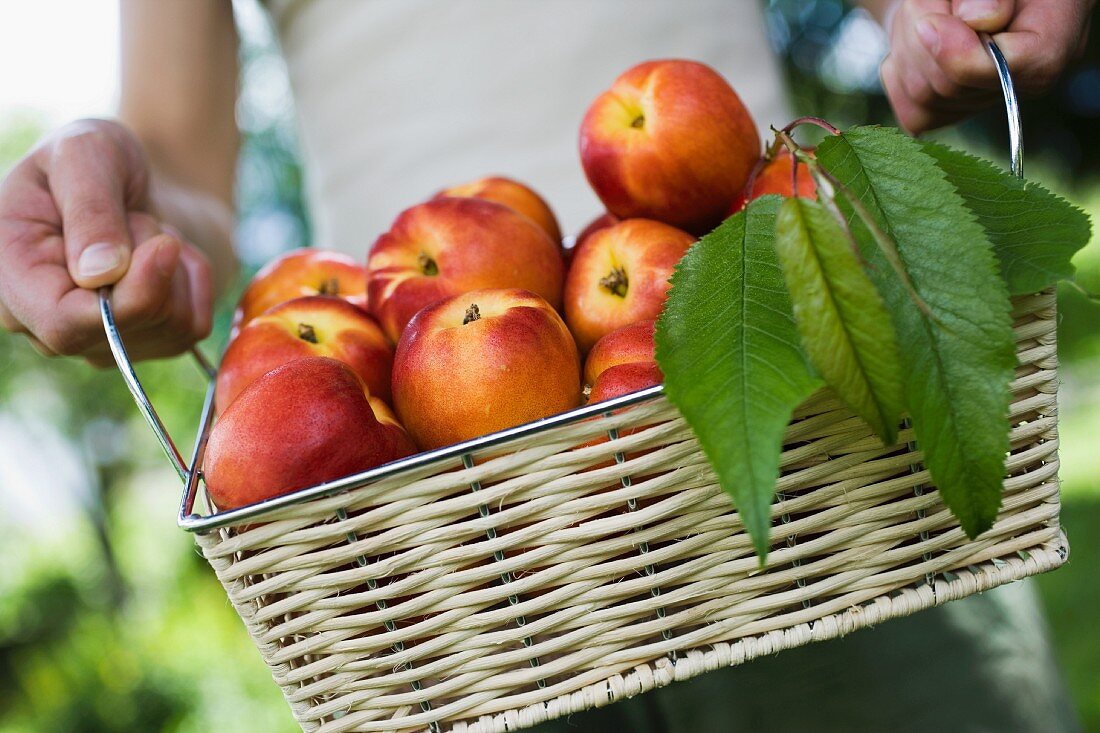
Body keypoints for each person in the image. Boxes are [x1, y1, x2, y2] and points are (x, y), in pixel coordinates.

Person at [0, 1, 1089, 730]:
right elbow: (183, 171)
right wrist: (132, 239)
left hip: (805, 413)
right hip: (451, 542)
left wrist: (937, 16)